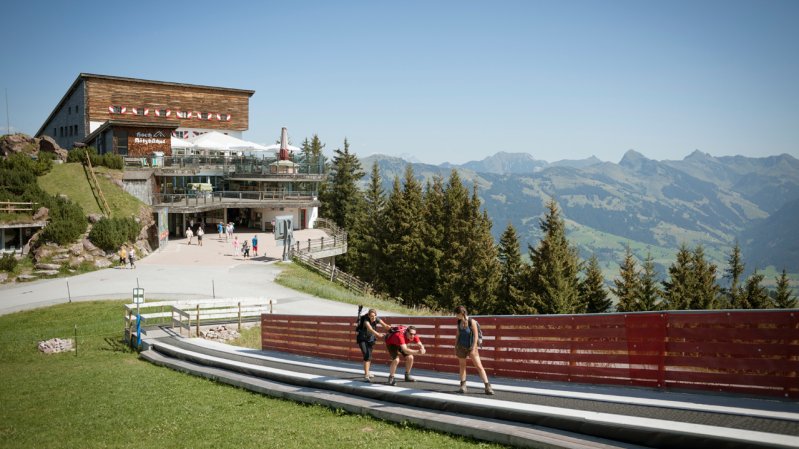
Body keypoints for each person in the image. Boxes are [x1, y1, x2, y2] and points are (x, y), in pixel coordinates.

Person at [454, 305, 493, 395]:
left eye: (456, 314)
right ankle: (463, 386)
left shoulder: (472, 322)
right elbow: (458, 335)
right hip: (461, 347)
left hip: (472, 347)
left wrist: (473, 348)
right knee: (462, 366)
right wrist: (455, 346)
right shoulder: (458, 321)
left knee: (479, 366)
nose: (455, 316)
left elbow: (475, 336)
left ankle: (488, 386)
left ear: (461, 313)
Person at [356, 309, 391, 382]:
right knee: (366, 355)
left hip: (371, 339)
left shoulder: (377, 319)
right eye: (371, 316)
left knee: (369, 356)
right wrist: (378, 334)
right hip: (362, 339)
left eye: (374, 316)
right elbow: (370, 329)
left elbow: (384, 325)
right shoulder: (366, 321)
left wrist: (389, 328)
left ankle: (367, 372)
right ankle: (366, 375)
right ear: (368, 316)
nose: (373, 318)